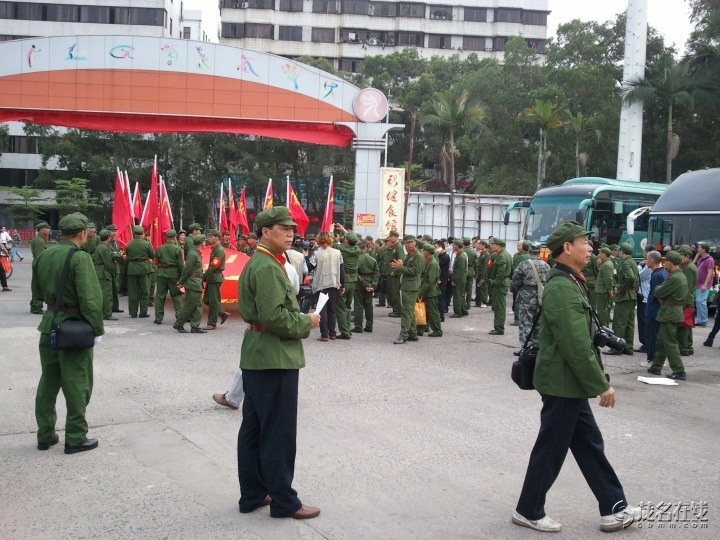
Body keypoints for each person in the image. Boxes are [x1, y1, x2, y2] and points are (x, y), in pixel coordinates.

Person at [513, 221, 643, 533]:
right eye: (584, 242)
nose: (590, 247)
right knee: (551, 449)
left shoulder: (571, 281)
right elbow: (575, 344)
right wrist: (600, 384)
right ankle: (529, 510)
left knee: (588, 445)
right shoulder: (561, 286)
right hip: (562, 382)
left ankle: (614, 507)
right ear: (567, 248)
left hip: (568, 382)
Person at [236, 206, 322, 520]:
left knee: (254, 429)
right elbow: (275, 317)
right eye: (283, 229)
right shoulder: (268, 267)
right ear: (265, 231)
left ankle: (254, 493)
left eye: (291, 229)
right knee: (278, 432)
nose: (290, 234)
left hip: (259, 354)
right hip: (275, 356)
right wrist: (307, 321)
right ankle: (285, 501)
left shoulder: (260, 261)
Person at [31, 212, 105, 455]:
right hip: (73, 328)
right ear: (82, 233)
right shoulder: (79, 257)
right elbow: (90, 299)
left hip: (49, 324)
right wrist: (97, 329)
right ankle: (75, 437)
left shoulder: (44, 255)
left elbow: (37, 293)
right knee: (77, 382)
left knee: (48, 380)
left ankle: (45, 435)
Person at [648, 251, 688, 380]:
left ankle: (679, 370)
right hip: (672, 312)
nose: (665, 264)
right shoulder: (680, 276)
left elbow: (658, 291)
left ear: (670, 263)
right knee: (662, 341)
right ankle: (656, 366)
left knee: (670, 342)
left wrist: (659, 289)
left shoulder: (674, 278)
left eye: (667, 262)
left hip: (669, 312)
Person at [511, 241, 550, 352]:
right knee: (538, 322)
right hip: (540, 296)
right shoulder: (546, 266)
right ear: (539, 251)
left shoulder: (524, 264)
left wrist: (514, 290)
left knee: (525, 322)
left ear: (529, 251)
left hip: (526, 297)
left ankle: (526, 347)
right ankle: (537, 346)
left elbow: (516, 281)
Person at [605, 243, 639, 356]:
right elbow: (636, 278)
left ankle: (616, 347)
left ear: (622, 252)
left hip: (625, 296)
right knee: (629, 323)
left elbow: (630, 277)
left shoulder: (626, 263)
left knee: (619, 322)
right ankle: (628, 347)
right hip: (631, 295)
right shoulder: (633, 262)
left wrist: (619, 288)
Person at [392, 235, 424, 344]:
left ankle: (403, 335)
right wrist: (398, 266)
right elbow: (404, 267)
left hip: (412, 287)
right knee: (410, 311)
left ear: (415, 243)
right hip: (407, 286)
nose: (410, 245)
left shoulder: (418, 256)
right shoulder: (409, 256)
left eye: (412, 242)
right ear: (404, 244)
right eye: (407, 243)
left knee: (406, 311)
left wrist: (400, 267)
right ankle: (412, 333)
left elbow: (414, 271)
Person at [311, 231, 343, 341]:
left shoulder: (316, 254)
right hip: (333, 283)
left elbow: (309, 267)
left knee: (322, 309)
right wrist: (342, 284)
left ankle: (324, 334)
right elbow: (342, 269)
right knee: (331, 309)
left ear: (318, 240)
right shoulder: (338, 253)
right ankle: (332, 333)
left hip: (321, 284)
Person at [174, 234, 207, 333]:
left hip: (197, 283)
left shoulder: (196, 253)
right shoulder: (193, 254)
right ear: (201, 243)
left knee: (198, 305)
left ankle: (195, 326)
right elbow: (187, 270)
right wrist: (181, 282)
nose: (205, 243)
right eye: (204, 241)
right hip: (193, 283)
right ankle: (178, 324)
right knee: (189, 305)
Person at [333, 225, 361, 340]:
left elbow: (332, 242)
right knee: (348, 306)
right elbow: (356, 241)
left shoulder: (342, 249)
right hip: (353, 280)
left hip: (343, 280)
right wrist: (344, 230)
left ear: (346, 241)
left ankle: (344, 332)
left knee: (340, 307)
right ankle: (348, 329)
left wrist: (330, 230)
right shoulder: (357, 249)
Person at [642, 251, 667, 367]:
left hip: (653, 310)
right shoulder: (663, 272)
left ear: (652, 261)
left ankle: (652, 360)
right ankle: (659, 359)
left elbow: (657, 295)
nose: (646, 261)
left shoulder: (656, 275)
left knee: (652, 336)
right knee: (657, 335)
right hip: (659, 310)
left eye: (647, 259)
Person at [154, 230, 184, 325]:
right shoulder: (178, 249)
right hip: (174, 274)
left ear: (166, 237)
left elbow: (155, 262)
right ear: (175, 237)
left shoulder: (160, 248)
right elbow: (181, 265)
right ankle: (179, 317)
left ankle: (158, 318)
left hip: (161, 274)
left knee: (160, 296)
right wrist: (183, 277)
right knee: (176, 296)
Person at [125, 225, 155, 318]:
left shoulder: (129, 244)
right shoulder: (146, 244)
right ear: (143, 233)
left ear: (134, 234)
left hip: (132, 268)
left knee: (133, 291)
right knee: (145, 291)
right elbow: (152, 255)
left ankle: (133, 312)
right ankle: (143, 312)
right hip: (144, 268)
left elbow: (127, 255)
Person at [203, 229, 230, 330]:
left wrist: (204, 276)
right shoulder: (214, 248)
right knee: (206, 300)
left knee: (213, 301)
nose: (209, 238)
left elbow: (214, 266)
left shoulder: (219, 250)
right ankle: (222, 313)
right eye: (208, 236)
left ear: (217, 238)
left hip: (215, 277)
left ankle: (212, 323)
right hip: (212, 277)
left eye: (211, 236)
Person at [353, 244, 379, 333]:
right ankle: (369, 326)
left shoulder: (356, 259)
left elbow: (355, 273)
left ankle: (358, 326)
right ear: (365, 248)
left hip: (359, 284)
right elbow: (376, 273)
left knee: (358, 305)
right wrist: (373, 285)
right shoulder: (372, 259)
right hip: (370, 283)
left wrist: (364, 284)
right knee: (369, 306)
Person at [417, 243, 442, 337]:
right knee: (424, 311)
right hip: (426, 290)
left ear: (428, 252)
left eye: (424, 251)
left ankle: (437, 330)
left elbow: (430, 281)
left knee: (432, 312)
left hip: (430, 292)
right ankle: (421, 329)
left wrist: (420, 292)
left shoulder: (433, 263)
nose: (423, 252)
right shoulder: (427, 261)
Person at [488, 239, 512, 335]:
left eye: (493, 244)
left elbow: (501, 272)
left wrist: (495, 283)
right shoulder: (505, 254)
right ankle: (498, 327)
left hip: (500, 284)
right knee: (499, 306)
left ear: (499, 246)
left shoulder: (502, 256)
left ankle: (499, 328)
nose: (491, 246)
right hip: (503, 282)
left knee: (499, 307)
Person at [677, 245, 698, 356]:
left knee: (684, 325)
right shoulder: (688, 266)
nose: (679, 257)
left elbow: (687, 287)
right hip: (688, 298)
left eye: (681, 255)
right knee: (687, 324)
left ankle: (683, 348)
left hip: (686, 299)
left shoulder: (689, 268)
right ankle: (688, 346)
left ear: (687, 256)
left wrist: (682, 303)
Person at [92, 230, 116, 321]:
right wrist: (113, 272)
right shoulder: (103, 248)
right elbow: (108, 262)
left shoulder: (100, 246)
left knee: (102, 293)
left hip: (99, 271)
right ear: (108, 238)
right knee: (107, 294)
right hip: (103, 272)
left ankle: (103, 312)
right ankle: (106, 313)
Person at [30, 222, 51, 314]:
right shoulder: (39, 241)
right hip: (40, 265)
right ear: (41, 230)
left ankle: (35, 305)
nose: (48, 230)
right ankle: (36, 307)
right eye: (47, 228)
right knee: (38, 286)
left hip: (38, 264)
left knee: (37, 286)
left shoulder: (40, 239)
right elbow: (39, 256)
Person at [384, 231, 405, 318]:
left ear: (396, 237)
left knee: (394, 292)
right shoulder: (392, 247)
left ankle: (397, 311)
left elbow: (401, 261)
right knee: (390, 292)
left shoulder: (398, 247)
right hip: (390, 272)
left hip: (394, 273)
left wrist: (395, 271)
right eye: (390, 236)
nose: (390, 238)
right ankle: (395, 309)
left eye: (392, 236)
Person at [106, 225, 124, 314]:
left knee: (115, 288)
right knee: (109, 290)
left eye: (115, 231)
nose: (114, 233)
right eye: (112, 231)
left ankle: (115, 307)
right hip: (109, 267)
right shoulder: (106, 243)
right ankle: (108, 309)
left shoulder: (115, 242)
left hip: (116, 267)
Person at [636, 250, 652, 353]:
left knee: (643, 321)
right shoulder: (646, 266)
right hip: (644, 296)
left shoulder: (648, 267)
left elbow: (638, 276)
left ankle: (646, 343)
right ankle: (645, 343)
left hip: (645, 297)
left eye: (645, 252)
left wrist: (638, 266)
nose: (643, 254)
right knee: (642, 321)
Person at [694, 243, 714, 326]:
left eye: (699, 248)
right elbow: (693, 264)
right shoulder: (700, 259)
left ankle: (704, 320)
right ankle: (700, 320)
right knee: (698, 302)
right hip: (698, 284)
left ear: (704, 250)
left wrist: (705, 284)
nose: (698, 249)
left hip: (704, 284)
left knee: (700, 301)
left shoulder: (710, 260)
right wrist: (697, 256)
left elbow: (710, 273)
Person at [594, 247, 615, 328]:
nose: (599, 255)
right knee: (603, 309)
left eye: (600, 253)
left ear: (604, 254)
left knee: (602, 310)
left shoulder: (606, 265)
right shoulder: (606, 263)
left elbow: (608, 279)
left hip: (602, 290)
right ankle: (604, 326)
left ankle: (603, 327)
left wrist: (610, 291)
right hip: (602, 290)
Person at [511, 241, 530, 325]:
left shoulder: (524, 257)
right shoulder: (516, 255)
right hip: (522, 280)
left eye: (520, 246)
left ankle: (517, 319)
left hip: (520, 280)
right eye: (517, 245)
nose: (518, 247)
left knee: (518, 300)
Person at [449, 239, 468, 318]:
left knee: (457, 296)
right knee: (461, 295)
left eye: (454, 245)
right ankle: (463, 310)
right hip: (460, 279)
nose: (453, 246)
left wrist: (454, 281)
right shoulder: (460, 254)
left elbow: (460, 271)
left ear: (457, 246)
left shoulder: (461, 257)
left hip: (459, 279)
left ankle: (458, 312)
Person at [435, 241, 450, 321]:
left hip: (442, 280)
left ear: (441, 247)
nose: (435, 249)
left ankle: (441, 316)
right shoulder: (440, 256)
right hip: (438, 279)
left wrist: (435, 254)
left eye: (436, 247)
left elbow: (437, 264)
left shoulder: (445, 256)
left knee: (440, 298)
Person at [462, 238, 478, 312]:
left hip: (463, 271)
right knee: (469, 289)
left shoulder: (462, 251)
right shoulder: (473, 252)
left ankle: (462, 304)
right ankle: (468, 304)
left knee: (462, 288)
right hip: (471, 270)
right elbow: (476, 264)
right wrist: (476, 273)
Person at [475, 240, 490, 308]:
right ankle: (477, 301)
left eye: (480, 244)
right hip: (479, 274)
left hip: (483, 274)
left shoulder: (487, 254)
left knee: (483, 288)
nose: (479, 245)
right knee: (478, 287)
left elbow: (485, 266)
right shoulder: (482, 253)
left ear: (484, 245)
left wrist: (483, 277)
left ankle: (484, 302)